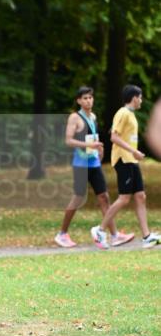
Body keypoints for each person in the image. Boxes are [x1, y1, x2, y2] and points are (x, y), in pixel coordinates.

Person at [54, 86, 133, 249]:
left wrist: (99, 149)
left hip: (94, 163)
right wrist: (89, 145)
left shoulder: (93, 116)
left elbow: (93, 138)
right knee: (78, 198)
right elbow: (69, 141)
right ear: (79, 101)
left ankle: (115, 235)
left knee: (104, 197)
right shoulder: (75, 118)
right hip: (80, 165)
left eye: (90, 97)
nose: (88, 101)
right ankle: (62, 234)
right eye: (85, 98)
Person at [91, 85, 160, 249]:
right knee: (124, 198)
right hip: (123, 160)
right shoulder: (122, 113)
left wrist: (134, 154)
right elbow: (114, 137)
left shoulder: (130, 114)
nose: (141, 100)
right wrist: (133, 151)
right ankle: (100, 230)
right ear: (134, 98)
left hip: (131, 161)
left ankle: (147, 236)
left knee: (140, 196)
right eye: (140, 97)